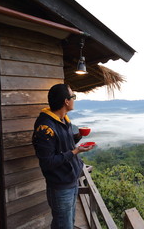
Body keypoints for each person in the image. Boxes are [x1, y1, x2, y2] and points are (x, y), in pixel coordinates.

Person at [32, 83, 94, 229]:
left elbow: (64, 143)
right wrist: (76, 151)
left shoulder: (63, 119)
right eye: (73, 96)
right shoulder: (45, 127)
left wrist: (78, 136)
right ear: (66, 101)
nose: (74, 100)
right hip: (60, 185)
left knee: (68, 221)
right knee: (63, 224)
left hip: (71, 179)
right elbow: (47, 162)